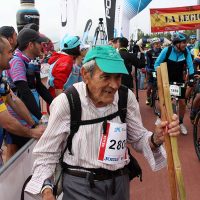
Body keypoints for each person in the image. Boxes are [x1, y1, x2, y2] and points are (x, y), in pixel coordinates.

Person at [25, 45, 180, 200]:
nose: (114, 85)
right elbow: (46, 153)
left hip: (119, 184)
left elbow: (138, 137)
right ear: (85, 75)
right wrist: (46, 190)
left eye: (118, 77)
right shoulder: (67, 103)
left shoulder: (126, 97)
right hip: (79, 187)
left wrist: (157, 138)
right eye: (106, 77)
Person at [4, 28, 53, 153]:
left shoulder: (32, 61)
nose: (42, 46)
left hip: (28, 113)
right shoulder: (16, 61)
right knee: (15, 151)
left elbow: (39, 87)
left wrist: (55, 105)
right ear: (31, 45)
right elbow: (24, 91)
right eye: (39, 43)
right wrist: (39, 118)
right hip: (18, 116)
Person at [0, 36, 45, 162]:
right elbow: (6, 121)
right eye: (9, 52)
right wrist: (32, 133)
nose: (13, 55)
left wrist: (35, 124)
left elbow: (14, 101)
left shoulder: (2, 81)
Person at [154, 32, 194, 135]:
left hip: (179, 80)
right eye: (183, 42)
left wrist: (192, 77)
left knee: (182, 102)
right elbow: (157, 64)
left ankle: (180, 122)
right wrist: (159, 77)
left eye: (186, 42)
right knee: (166, 101)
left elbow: (190, 65)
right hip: (166, 79)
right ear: (176, 43)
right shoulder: (167, 51)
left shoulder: (186, 52)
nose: (186, 44)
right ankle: (161, 116)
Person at [145, 37, 162, 105]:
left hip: (161, 71)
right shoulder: (149, 52)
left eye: (159, 43)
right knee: (149, 87)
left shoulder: (162, 51)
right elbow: (147, 63)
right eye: (156, 44)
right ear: (152, 44)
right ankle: (148, 97)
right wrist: (148, 70)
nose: (158, 45)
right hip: (151, 71)